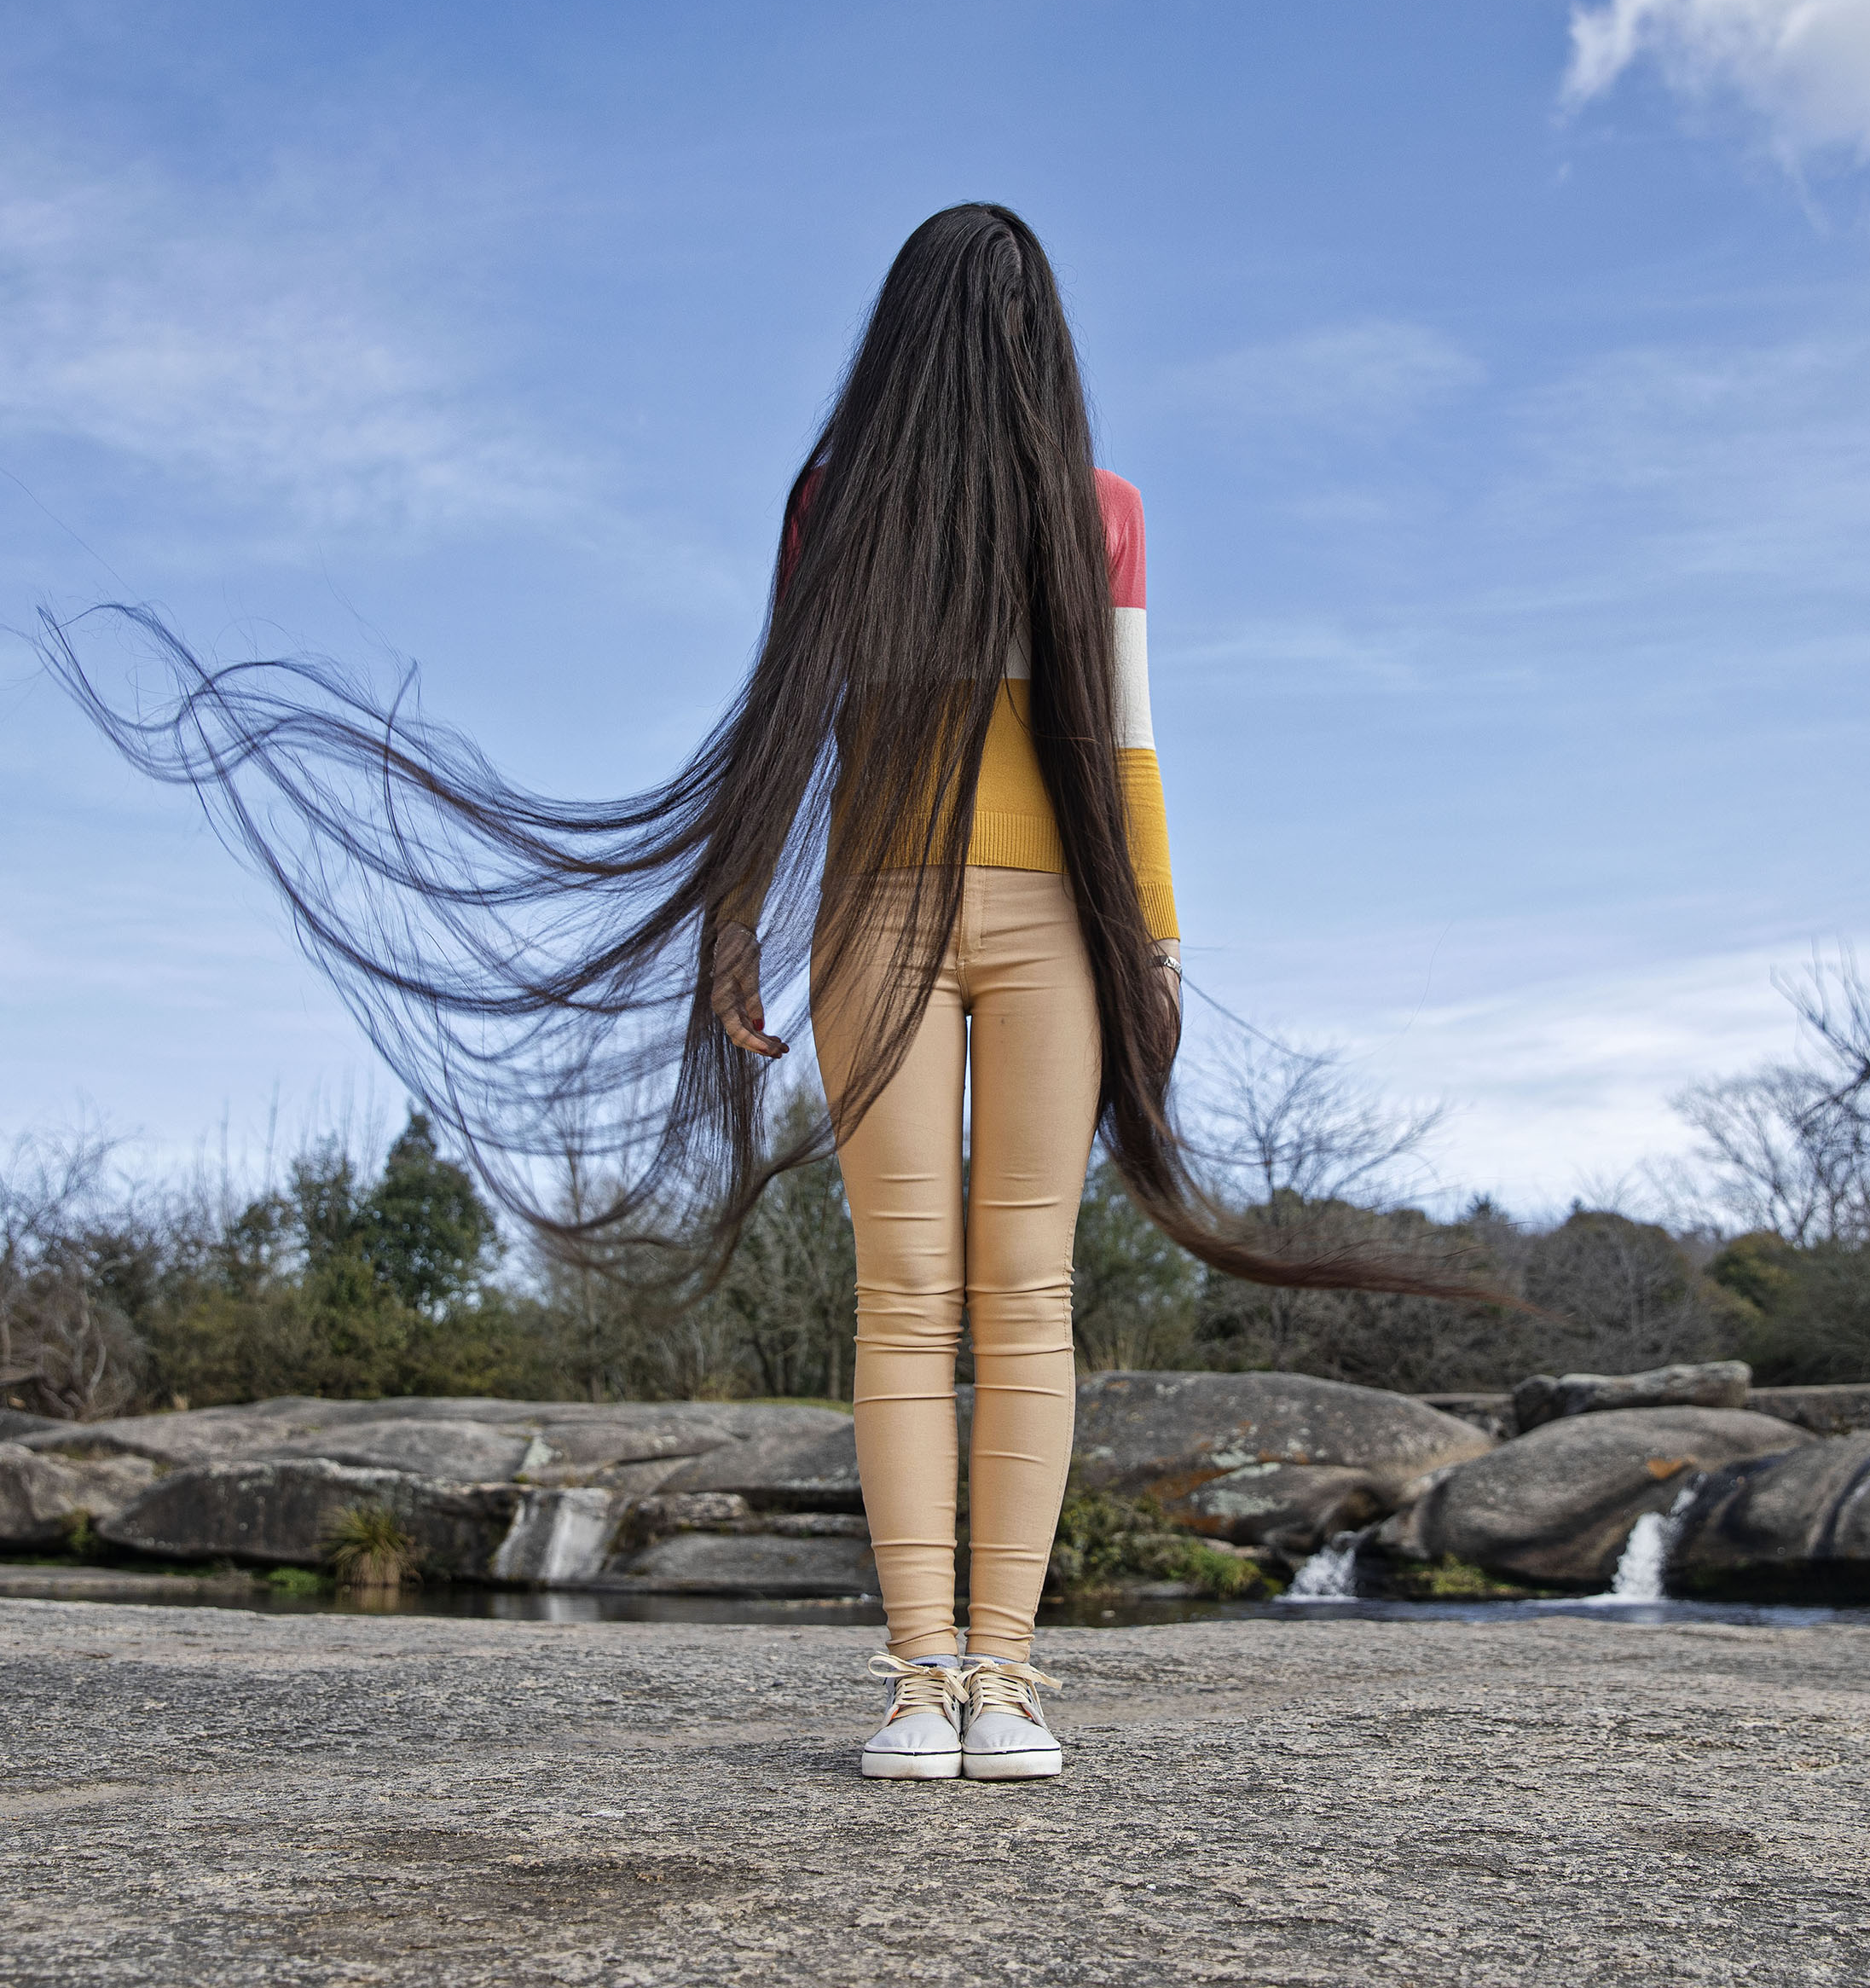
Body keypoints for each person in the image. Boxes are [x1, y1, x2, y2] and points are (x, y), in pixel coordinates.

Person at [48, 200, 1485, 1788]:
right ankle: (942, 1676)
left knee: (974, 1295)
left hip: (960, 924)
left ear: (903, 330)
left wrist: (1139, 945)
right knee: (981, 1296)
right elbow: (814, 722)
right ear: (1037, 334)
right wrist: (1097, 944)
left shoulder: (1079, 511)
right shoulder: (855, 506)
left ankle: (980, 1674)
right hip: (941, 921)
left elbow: (1099, 737)